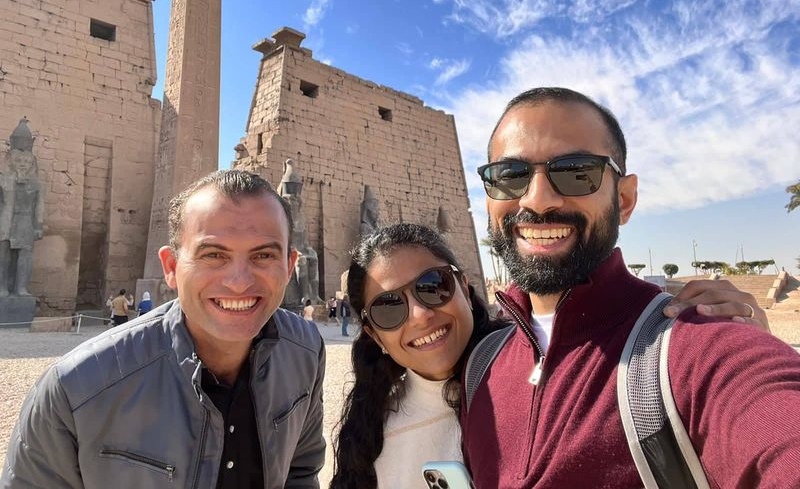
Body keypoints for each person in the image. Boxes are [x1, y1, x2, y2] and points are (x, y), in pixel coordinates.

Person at [462, 87, 800, 487]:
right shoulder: (479, 363)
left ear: (624, 199)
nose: (537, 200)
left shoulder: (694, 348)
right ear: (488, 201)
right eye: (510, 176)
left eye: (576, 172)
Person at [331, 223, 766, 489]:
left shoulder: (548, 379)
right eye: (389, 307)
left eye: (433, 286)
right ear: (372, 333)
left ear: (465, 287)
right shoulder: (373, 428)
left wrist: (741, 340)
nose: (422, 314)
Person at [2, 169, 326, 489]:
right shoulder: (76, 389)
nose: (239, 281)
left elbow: (300, 470)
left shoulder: (307, 352)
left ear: (288, 266)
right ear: (171, 268)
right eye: (213, 255)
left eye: (263, 255)